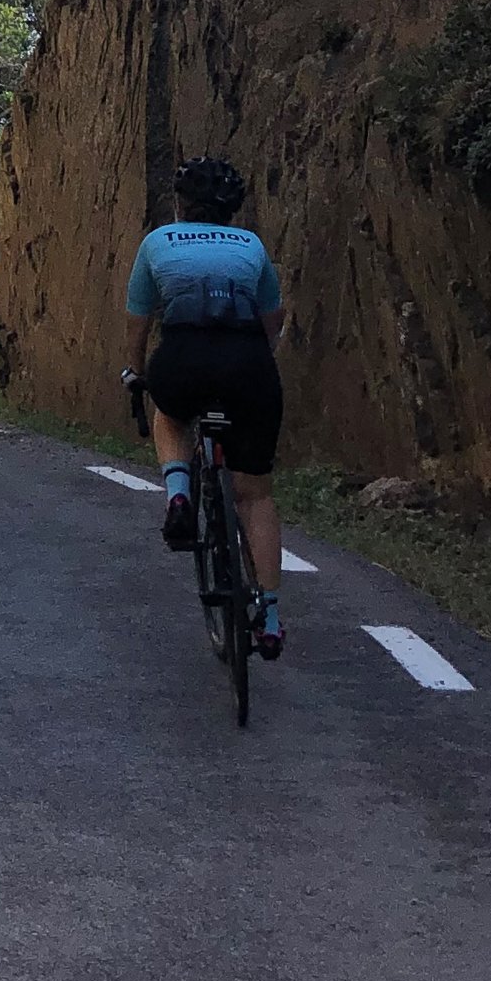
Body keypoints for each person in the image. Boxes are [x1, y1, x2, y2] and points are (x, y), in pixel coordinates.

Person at [121, 156, 287, 661]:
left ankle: (177, 495)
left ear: (180, 204)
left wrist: (134, 374)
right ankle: (272, 617)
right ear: (233, 211)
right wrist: (253, 367)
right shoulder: (252, 246)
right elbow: (272, 322)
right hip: (248, 363)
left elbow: (139, 322)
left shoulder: (158, 242)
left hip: (184, 357)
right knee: (254, 494)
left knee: (169, 412)